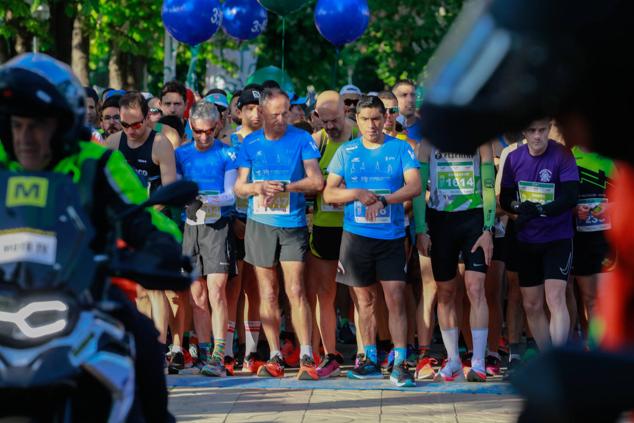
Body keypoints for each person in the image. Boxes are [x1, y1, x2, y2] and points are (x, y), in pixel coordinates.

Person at [0, 53, 184, 422]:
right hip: (7, 294)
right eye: (17, 126)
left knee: (143, 341)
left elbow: (144, 215)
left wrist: (159, 247)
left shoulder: (97, 163)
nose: (25, 138)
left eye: (36, 126)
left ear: (62, 124)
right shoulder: (2, 163)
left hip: (84, 295)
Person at [324, 95, 422, 387]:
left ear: (386, 117)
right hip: (356, 239)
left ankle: (401, 362)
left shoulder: (400, 148)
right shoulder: (347, 151)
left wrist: (385, 199)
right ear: (358, 120)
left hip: (391, 237)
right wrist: (355, 194)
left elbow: (415, 186)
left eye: (377, 119)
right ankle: (368, 359)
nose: (371, 125)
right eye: (365, 119)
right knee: (363, 301)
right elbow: (329, 194)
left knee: (394, 299)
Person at [234, 88, 324, 380]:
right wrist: (258, 188)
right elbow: (240, 187)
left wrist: (288, 187)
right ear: (261, 112)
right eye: (275, 114)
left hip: (293, 223)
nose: (282, 119)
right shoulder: (250, 142)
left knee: (296, 289)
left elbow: (317, 182)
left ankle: (307, 352)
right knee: (267, 292)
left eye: (286, 112)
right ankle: (273, 354)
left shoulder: (302, 139)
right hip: (259, 223)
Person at [413, 134, 496, 382]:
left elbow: (489, 186)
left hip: (474, 219)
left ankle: (479, 361)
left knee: (475, 288)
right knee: (445, 292)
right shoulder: (427, 143)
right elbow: (419, 190)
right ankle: (454, 360)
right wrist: (421, 229)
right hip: (440, 221)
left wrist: (488, 228)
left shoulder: (480, 140)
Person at [499, 118, 579, 350]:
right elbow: (505, 197)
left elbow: (570, 196)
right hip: (527, 239)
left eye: (542, 130)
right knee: (532, 304)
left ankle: (560, 361)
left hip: (558, 238)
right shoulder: (514, 158)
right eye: (532, 131)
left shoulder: (562, 154)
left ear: (549, 130)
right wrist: (517, 207)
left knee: (555, 298)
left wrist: (542, 209)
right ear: (524, 132)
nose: (537, 136)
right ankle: (549, 358)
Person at [176, 100, 238, 377]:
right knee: (197, 293)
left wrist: (204, 200)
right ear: (190, 125)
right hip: (191, 228)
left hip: (217, 226)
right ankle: (202, 351)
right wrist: (188, 200)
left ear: (218, 126)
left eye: (209, 132)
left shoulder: (228, 154)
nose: (203, 137)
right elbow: (174, 187)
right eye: (198, 131)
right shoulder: (181, 154)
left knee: (217, 291)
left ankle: (219, 353)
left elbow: (232, 194)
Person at [305, 91, 358, 378]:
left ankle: (366, 353)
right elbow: (302, 181)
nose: (330, 126)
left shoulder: (359, 136)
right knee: (325, 292)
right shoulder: (318, 141)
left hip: (358, 227)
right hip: (325, 226)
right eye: (324, 121)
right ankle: (330, 353)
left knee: (362, 293)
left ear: (345, 113)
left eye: (335, 120)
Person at [230, 86, 266, 374]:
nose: (255, 114)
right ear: (238, 112)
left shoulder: (271, 141)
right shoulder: (227, 142)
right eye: (249, 108)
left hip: (262, 221)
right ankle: (228, 350)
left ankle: (251, 352)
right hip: (231, 221)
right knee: (232, 289)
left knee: (256, 290)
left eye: (260, 108)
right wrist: (232, 219)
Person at [572, 145, 616, 331]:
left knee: (607, 298)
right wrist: (574, 209)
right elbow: (561, 197)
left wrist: (609, 208)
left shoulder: (611, 157)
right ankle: (595, 347)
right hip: (579, 238)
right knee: (589, 298)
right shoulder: (568, 156)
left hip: (606, 239)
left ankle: (611, 347)